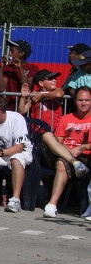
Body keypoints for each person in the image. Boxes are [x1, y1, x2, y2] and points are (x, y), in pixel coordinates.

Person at [40, 86, 91, 218]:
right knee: (46, 135)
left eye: (87, 100)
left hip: (83, 157)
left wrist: (82, 147)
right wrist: (65, 149)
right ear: (75, 101)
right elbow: (58, 140)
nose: (83, 103)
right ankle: (74, 163)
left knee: (61, 164)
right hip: (64, 153)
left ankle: (52, 204)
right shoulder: (66, 118)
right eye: (80, 100)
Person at [0, 39, 38, 108]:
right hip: (9, 106)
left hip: (23, 107)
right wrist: (1, 68)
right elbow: (1, 88)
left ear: (21, 53)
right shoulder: (7, 68)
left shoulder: (32, 68)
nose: (10, 53)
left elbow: (27, 87)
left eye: (12, 50)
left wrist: (20, 68)